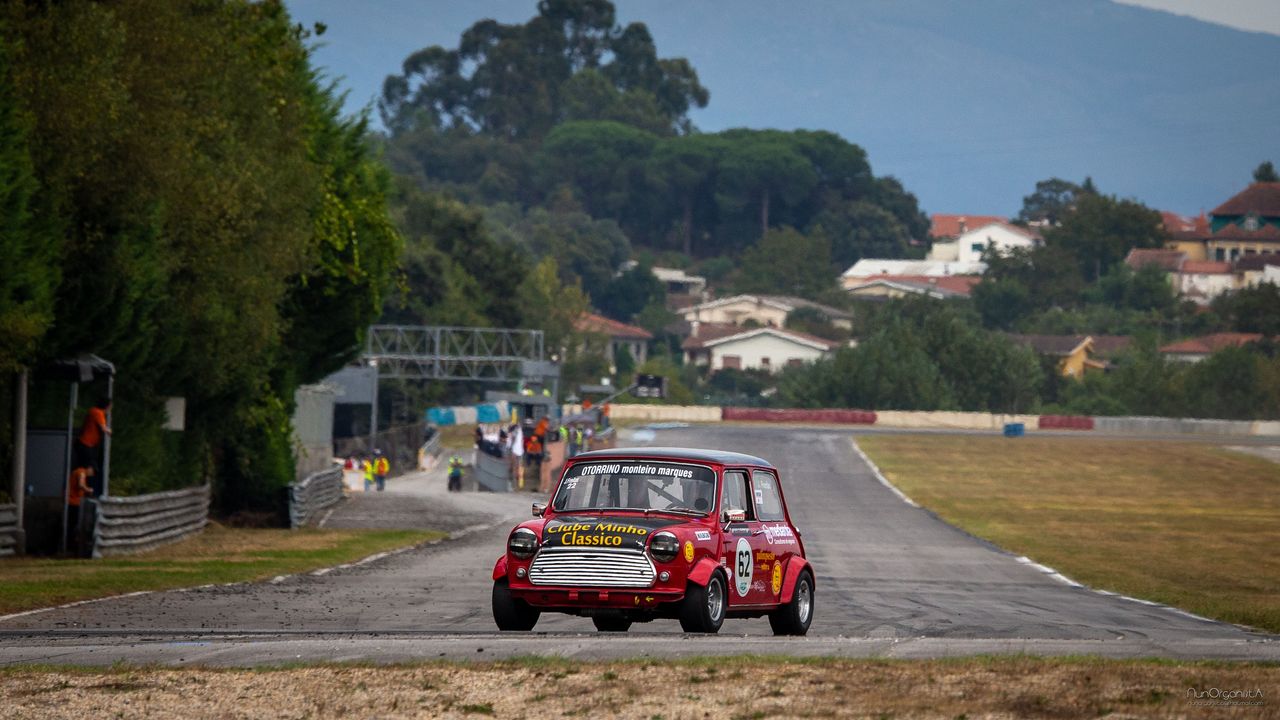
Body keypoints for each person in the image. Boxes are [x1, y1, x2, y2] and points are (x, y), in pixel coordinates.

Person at [74, 399, 111, 495]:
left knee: (85, 467)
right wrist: (110, 431)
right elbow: (103, 428)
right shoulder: (98, 413)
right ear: (107, 406)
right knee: (90, 468)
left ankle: (85, 490)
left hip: (83, 443)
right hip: (86, 444)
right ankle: (89, 491)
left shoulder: (92, 410)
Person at [66, 465, 94, 556]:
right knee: (75, 525)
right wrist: (89, 490)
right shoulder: (81, 472)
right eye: (93, 471)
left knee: (72, 525)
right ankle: (72, 547)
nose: (92, 474)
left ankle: (71, 546)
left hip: (72, 502)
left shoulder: (77, 472)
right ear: (89, 468)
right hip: (74, 503)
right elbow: (81, 485)